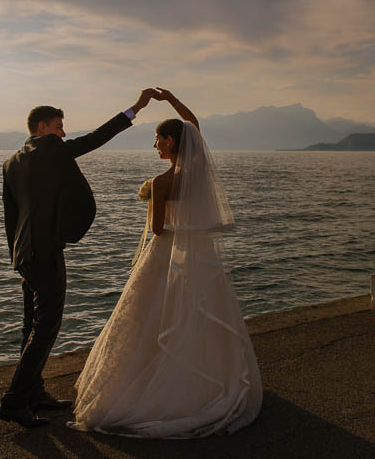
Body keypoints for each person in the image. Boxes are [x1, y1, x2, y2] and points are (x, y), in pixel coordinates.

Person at [68, 88, 262, 438]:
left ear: (171, 142)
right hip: (199, 256)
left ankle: (151, 385)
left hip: (166, 254)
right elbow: (193, 123)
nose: (155, 146)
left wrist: (151, 197)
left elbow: (158, 229)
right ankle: (207, 381)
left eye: (158, 140)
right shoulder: (198, 168)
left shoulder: (161, 182)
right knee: (196, 314)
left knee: (152, 318)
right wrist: (170, 98)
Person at [0, 89, 162, 427]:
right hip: (45, 252)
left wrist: (16, 255)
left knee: (31, 326)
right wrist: (136, 108)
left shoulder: (12, 161)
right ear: (42, 128)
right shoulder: (53, 150)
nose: (63, 132)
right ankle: (14, 401)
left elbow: (10, 216)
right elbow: (96, 138)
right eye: (59, 126)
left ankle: (33, 393)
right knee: (46, 327)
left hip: (24, 253)